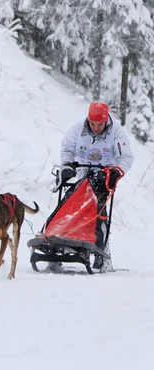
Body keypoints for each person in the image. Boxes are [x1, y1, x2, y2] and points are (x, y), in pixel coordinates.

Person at [58, 101, 134, 269]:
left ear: (106, 120)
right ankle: (61, 241)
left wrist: (117, 171)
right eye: (92, 123)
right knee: (70, 204)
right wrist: (67, 165)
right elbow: (67, 148)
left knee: (98, 213)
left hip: (104, 176)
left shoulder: (116, 132)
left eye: (99, 124)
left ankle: (101, 251)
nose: (96, 127)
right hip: (82, 173)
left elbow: (126, 157)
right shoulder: (78, 128)